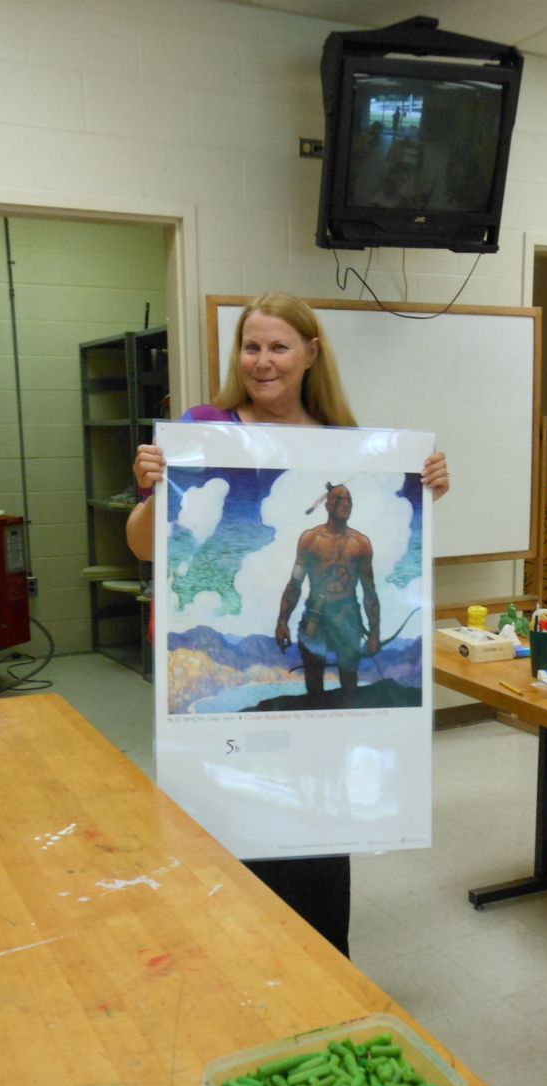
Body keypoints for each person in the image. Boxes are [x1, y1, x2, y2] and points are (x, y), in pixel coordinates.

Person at [126, 292, 449, 958]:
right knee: (226, 827)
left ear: (310, 355)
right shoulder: (203, 429)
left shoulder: (346, 445)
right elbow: (143, 546)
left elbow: (379, 579)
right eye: (251, 347)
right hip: (291, 644)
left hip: (343, 642)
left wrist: (428, 486)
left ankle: (324, 971)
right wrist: (154, 489)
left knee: (318, 820)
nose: (263, 361)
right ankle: (233, 970)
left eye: (278, 347)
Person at [275, 482, 379, 707]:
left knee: (349, 684)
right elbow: (295, 583)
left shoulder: (361, 544)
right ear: (327, 504)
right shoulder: (309, 540)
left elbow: (369, 591)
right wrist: (282, 621)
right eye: (340, 498)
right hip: (316, 617)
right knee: (313, 684)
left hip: (348, 617)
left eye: (349, 499)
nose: (346, 503)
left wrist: (374, 633)